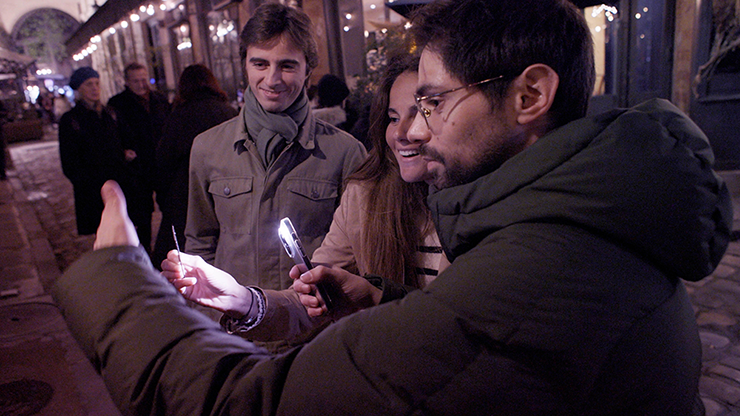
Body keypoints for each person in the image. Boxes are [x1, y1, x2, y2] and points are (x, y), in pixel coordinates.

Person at [52, 0, 732, 413]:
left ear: (530, 96)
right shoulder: (574, 222)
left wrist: (119, 284)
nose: (412, 130)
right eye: (403, 112)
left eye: (434, 103)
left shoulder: (546, 266)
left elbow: (255, 405)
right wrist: (361, 301)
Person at [161, 54, 450, 343]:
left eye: (421, 113)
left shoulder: (476, 204)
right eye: (393, 118)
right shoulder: (366, 196)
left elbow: (462, 322)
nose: (402, 132)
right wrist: (241, 300)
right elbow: (308, 301)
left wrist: (375, 296)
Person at [185, 3, 366, 296]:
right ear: (244, 64)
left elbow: (360, 255)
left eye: (287, 65)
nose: (272, 80)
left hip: (314, 332)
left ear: (308, 69)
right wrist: (206, 312)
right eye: (260, 64)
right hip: (232, 330)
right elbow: (200, 241)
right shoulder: (207, 148)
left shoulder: (345, 153)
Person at [151, 64, 238, 268]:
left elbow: (164, 162)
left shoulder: (179, 116)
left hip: (185, 197)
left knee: (184, 259)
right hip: (226, 191)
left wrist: (165, 201)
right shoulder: (229, 113)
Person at [58, 67, 137, 238]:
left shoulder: (111, 113)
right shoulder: (71, 120)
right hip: (92, 190)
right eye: (88, 84)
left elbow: (127, 139)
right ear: (79, 88)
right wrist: (85, 181)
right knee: (102, 235)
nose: (94, 88)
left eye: (96, 83)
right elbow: (69, 161)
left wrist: (126, 155)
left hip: (119, 184)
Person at [108, 62, 171, 252]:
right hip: (136, 169)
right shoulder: (117, 104)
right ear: (127, 82)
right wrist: (123, 152)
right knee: (142, 215)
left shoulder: (159, 99)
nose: (141, 84)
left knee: (168, 207)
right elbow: (112, 135)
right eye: (136, 81)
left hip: (160, 163)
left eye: (143, 79)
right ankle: (144, 252)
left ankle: (167, 248)